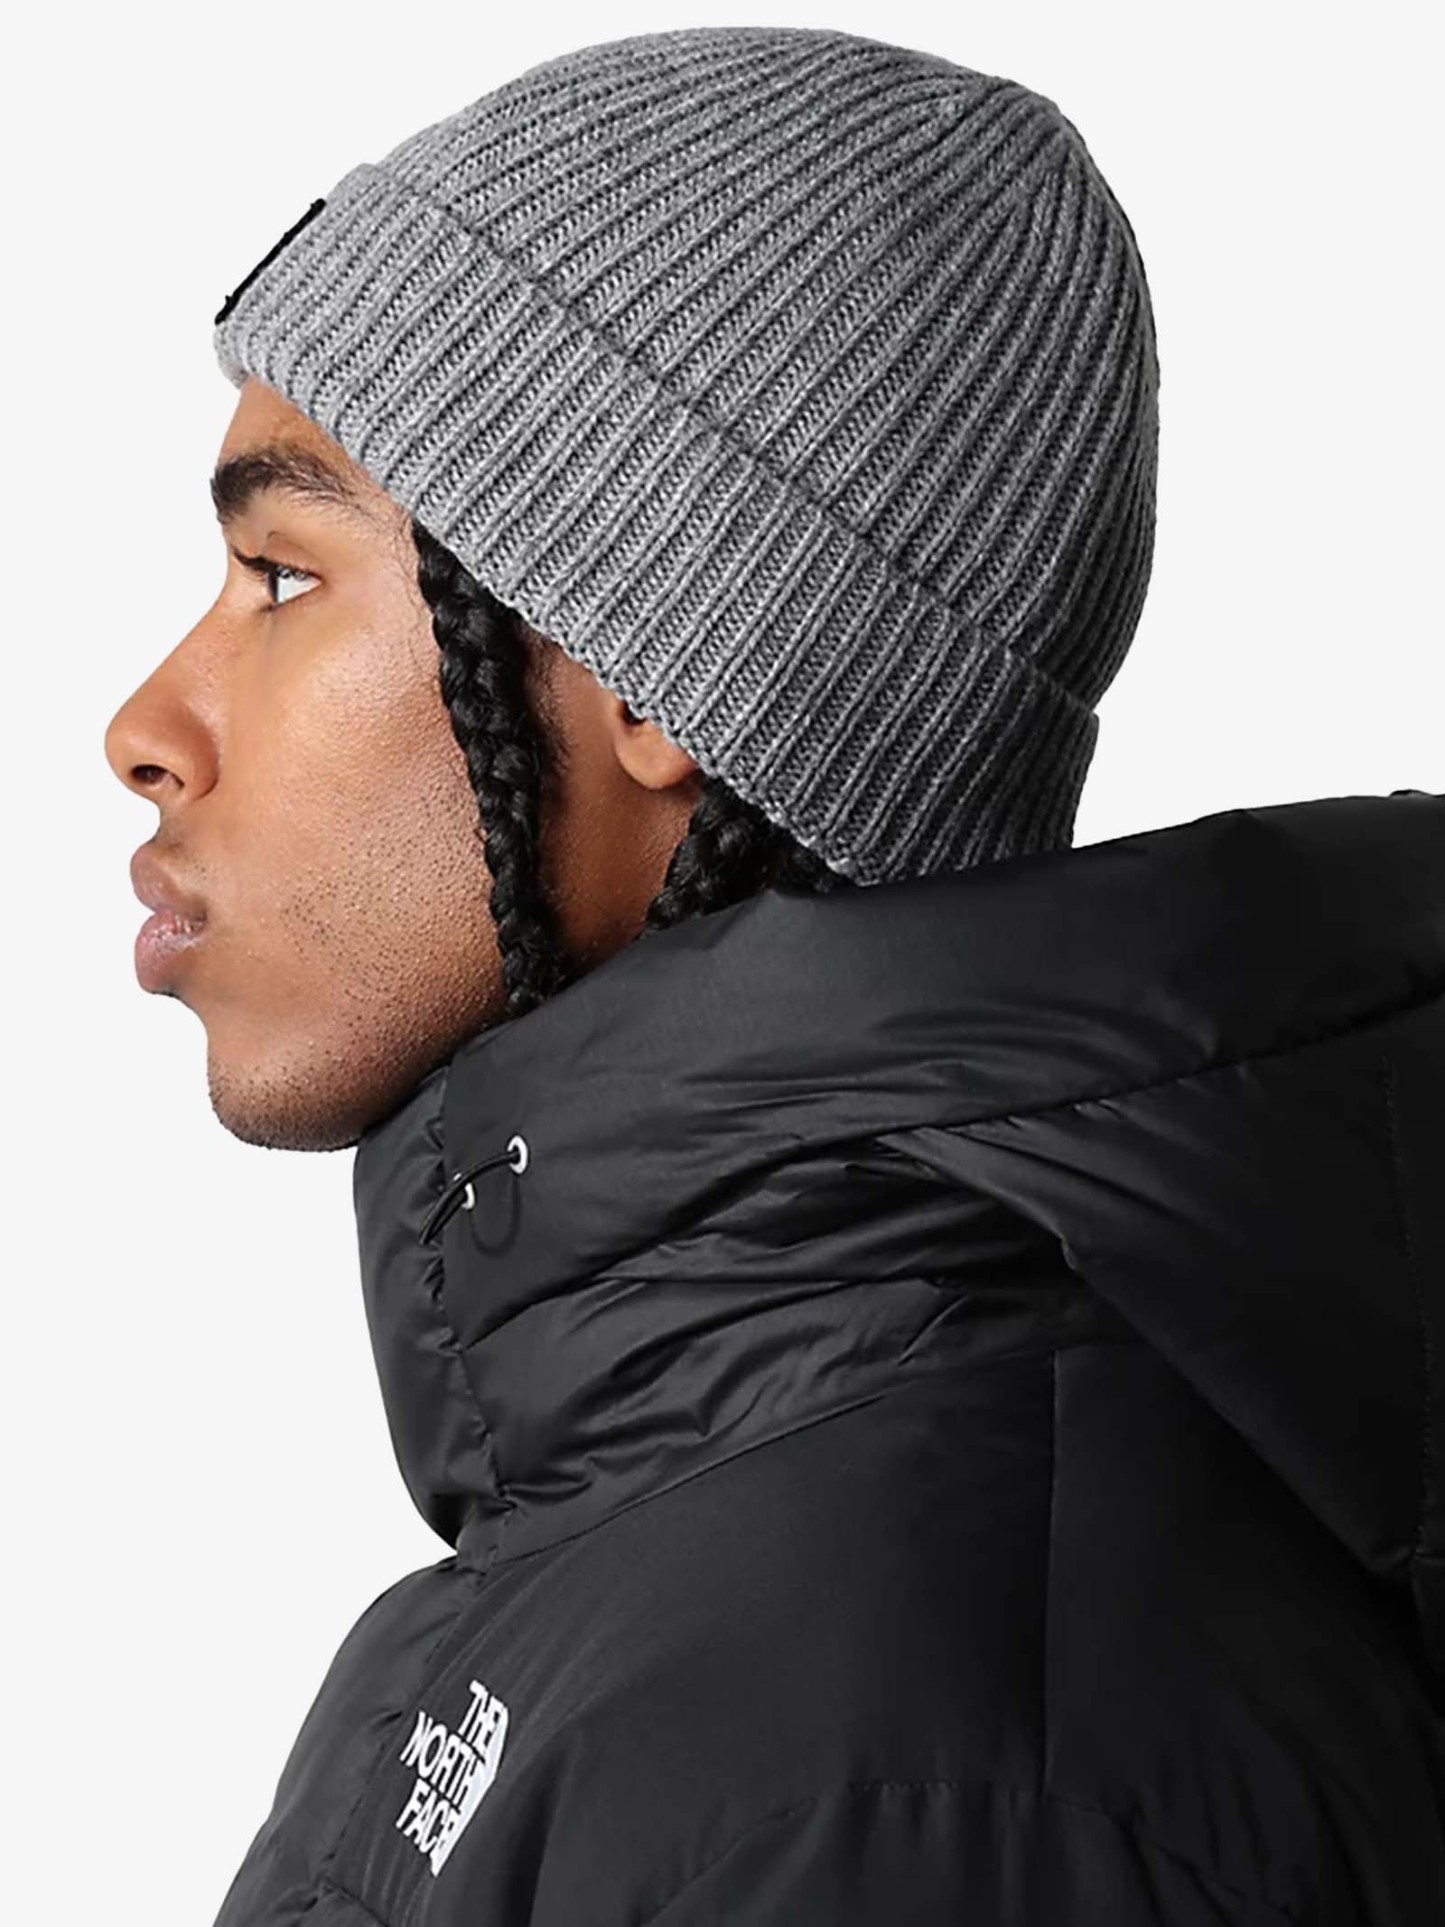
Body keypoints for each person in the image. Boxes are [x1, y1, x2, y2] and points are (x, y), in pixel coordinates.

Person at [103, 25, 1444, 1925]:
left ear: (659, 674)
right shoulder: (664, 1574)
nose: (144, 729)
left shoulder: (924, 1764)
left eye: (286, 577)